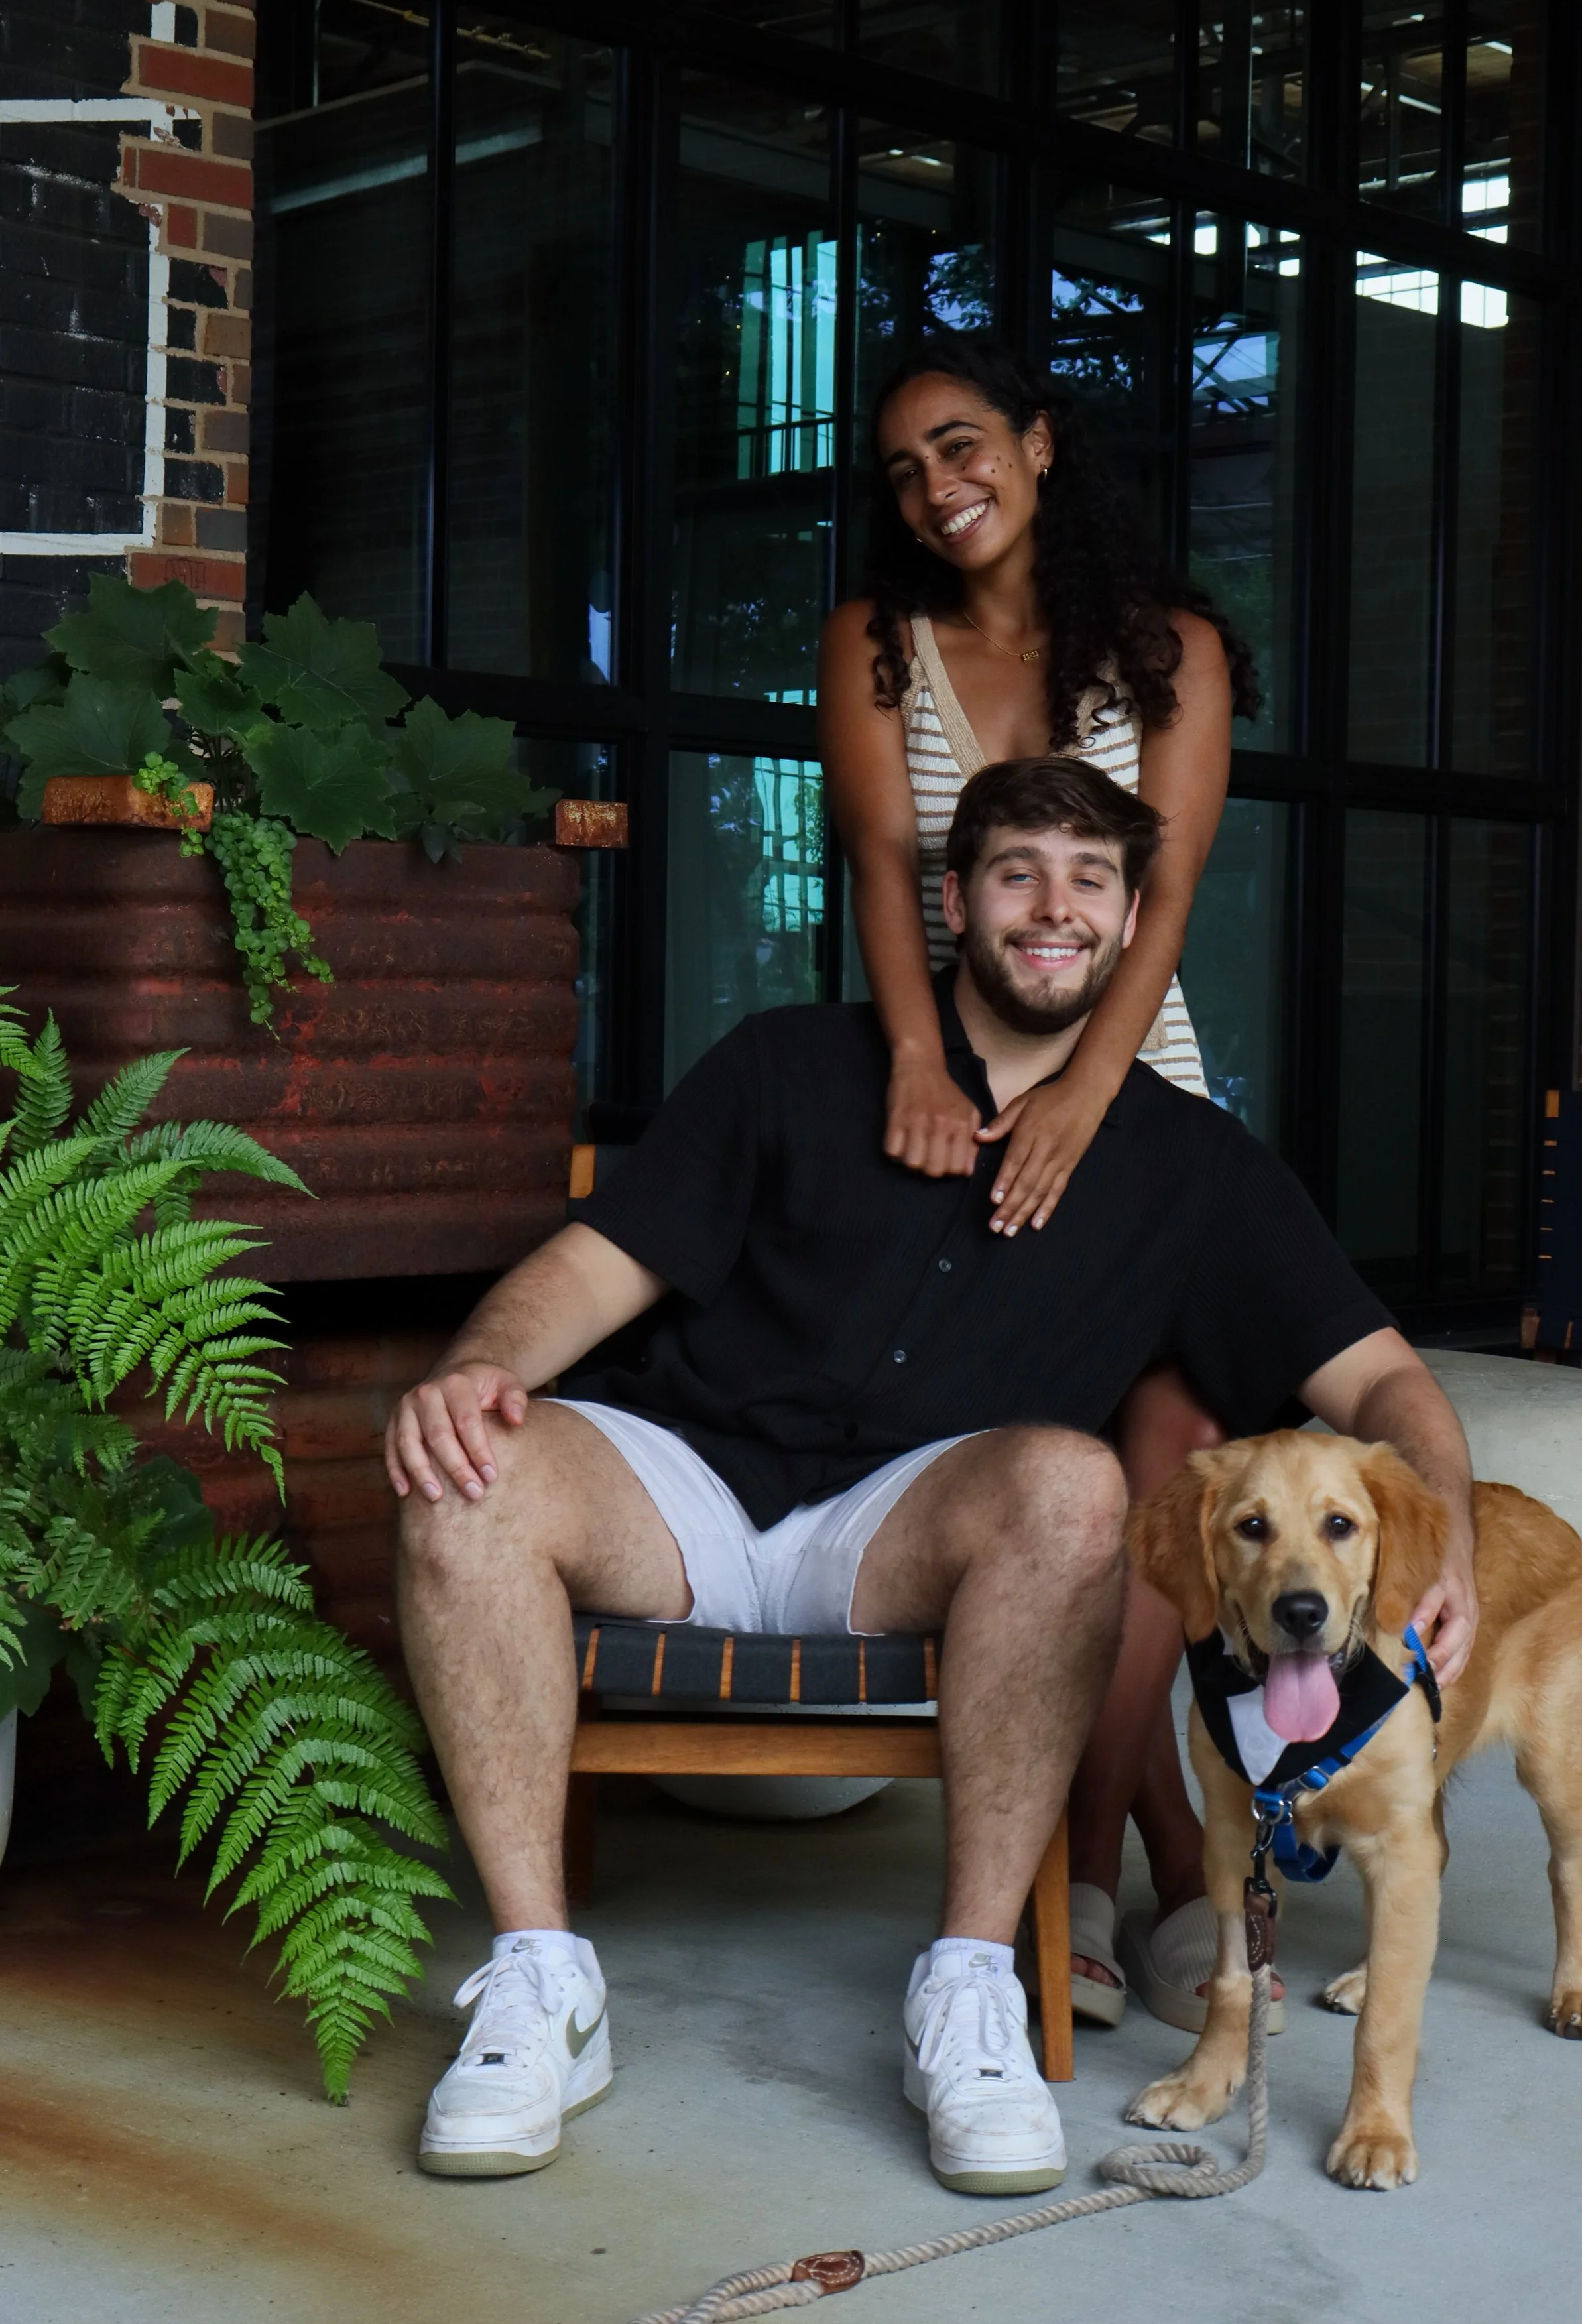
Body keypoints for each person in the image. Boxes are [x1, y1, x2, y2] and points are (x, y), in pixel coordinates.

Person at [386, 757, 1478, 2198]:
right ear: (954, 900)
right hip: (684, 1485)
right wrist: (479, 1365)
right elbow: (594, 1266)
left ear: (1133, 916)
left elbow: (1381, 1381)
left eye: (1089, 881)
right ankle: (541, 1988)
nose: (1052, 908)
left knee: (1075, 1487)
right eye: (1017, 870)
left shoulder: (1189, 1169)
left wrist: (1443, 1532)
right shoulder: (790, 1064)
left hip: (911, 1525)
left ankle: (967, 1990)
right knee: (467, 1473)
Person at [818, 334, 1252, 2023]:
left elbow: (1170, 894)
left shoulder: (1175, 655)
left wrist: (1090, 1095)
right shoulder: (873, 644)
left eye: (961, 445)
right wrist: (920, 1065)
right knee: (1041, 1455)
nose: (936, 487)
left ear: (1040, 446)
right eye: (904, 469)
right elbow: (876, 864)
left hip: (1139, 1076)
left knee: (1177, 1450)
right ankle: (1152, 1847)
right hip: (942, 1084)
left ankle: (1080, 1867)